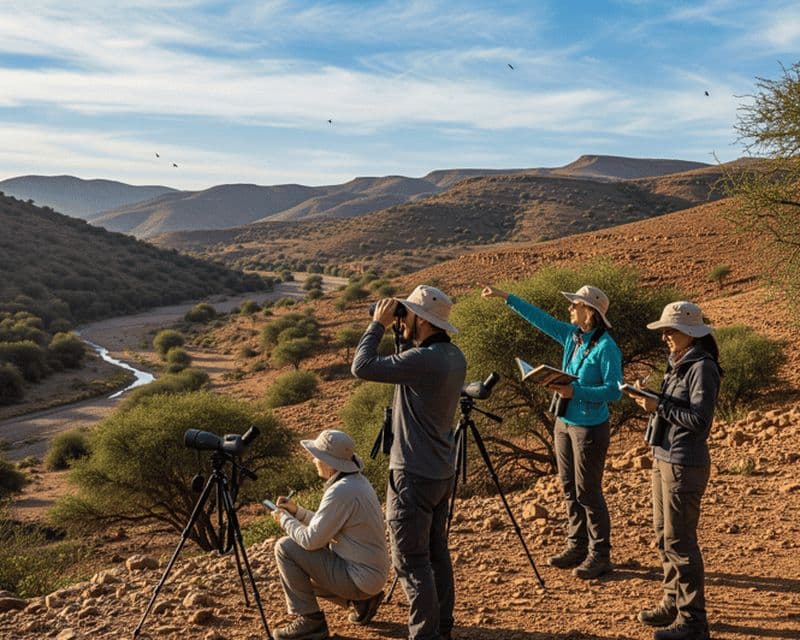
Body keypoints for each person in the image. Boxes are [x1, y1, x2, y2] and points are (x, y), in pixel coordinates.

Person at [481, 283, 622, 579]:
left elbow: (613, 391)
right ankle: (577, 545)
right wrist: (505, 296)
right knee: (569, 487)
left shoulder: (607, 347)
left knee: (588, 492)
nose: (570, 308)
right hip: (564, 423)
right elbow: (539, 318)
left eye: (575, 305)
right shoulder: (573, 337)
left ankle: (601, 554)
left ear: (590, 312)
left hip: (589, 428)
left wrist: (576, 391)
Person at [351, 284, 467, 640]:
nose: (401, 319)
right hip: (439, 471)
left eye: (406, 314)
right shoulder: (453, 356)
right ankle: (442, 626)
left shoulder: (421, 361)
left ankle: (425, 635)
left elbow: (362, 366)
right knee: (435, 554)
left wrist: (378, 325)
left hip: (412, 475)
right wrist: (401, 332)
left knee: (412, 563)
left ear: (421, 318)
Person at [624, 301, 721, 640]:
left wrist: (658, 405)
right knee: (664, 536)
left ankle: (694, 622)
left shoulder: (702, 366)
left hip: (684, 462)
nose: (664, 336)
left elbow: (700, 421)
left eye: (670, 330)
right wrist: (650, 396)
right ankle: (672, 602)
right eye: (663, 330)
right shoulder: (679, 361)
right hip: (664, 456)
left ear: (690, 333)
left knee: (681, 543)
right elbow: (678, 407)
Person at [270, 429, 389, 640]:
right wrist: (297, 512)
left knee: (285, 548)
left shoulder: (340, 491)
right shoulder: (356, 482)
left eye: (317, 457)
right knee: (306, 558)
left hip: (359, 579)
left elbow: (310, 540)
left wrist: (284, 519)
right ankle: (361, 603)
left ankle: (310, 622)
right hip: (370, 577)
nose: (314, 461)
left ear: (329, 463)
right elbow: (327, 526)